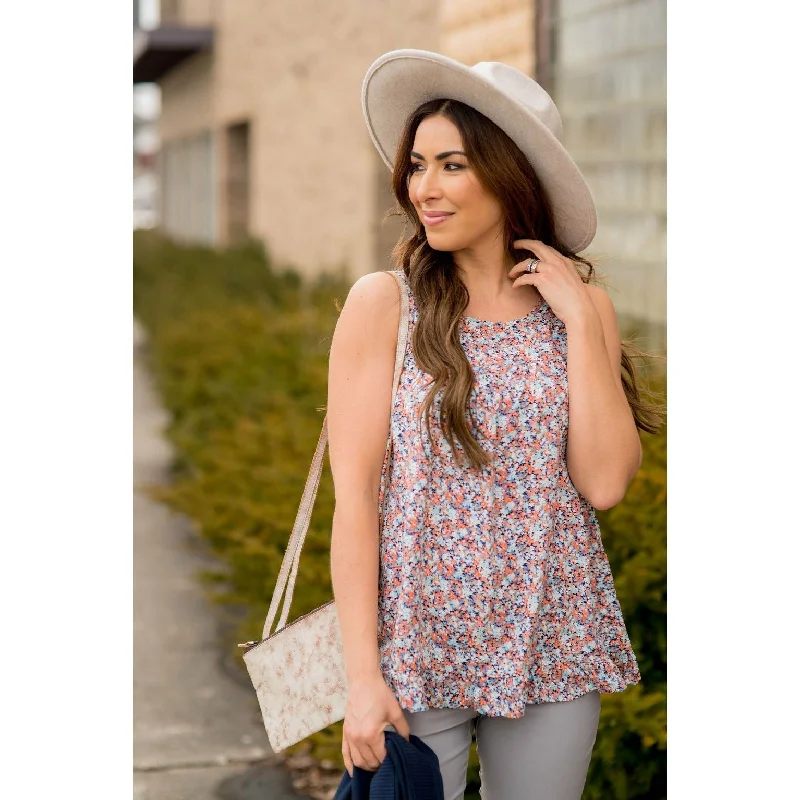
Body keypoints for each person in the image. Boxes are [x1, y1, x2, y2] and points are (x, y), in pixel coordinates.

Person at [326, 49, 664, 800]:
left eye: (451, 165)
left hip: (555, 637)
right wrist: (361, 678)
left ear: (511, 176)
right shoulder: (385, 304)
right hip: (417, 649)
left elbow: (606, 483)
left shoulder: (582, 310)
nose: (425, 189)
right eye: (417, 165)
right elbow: (357, 501)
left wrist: (577, 317)